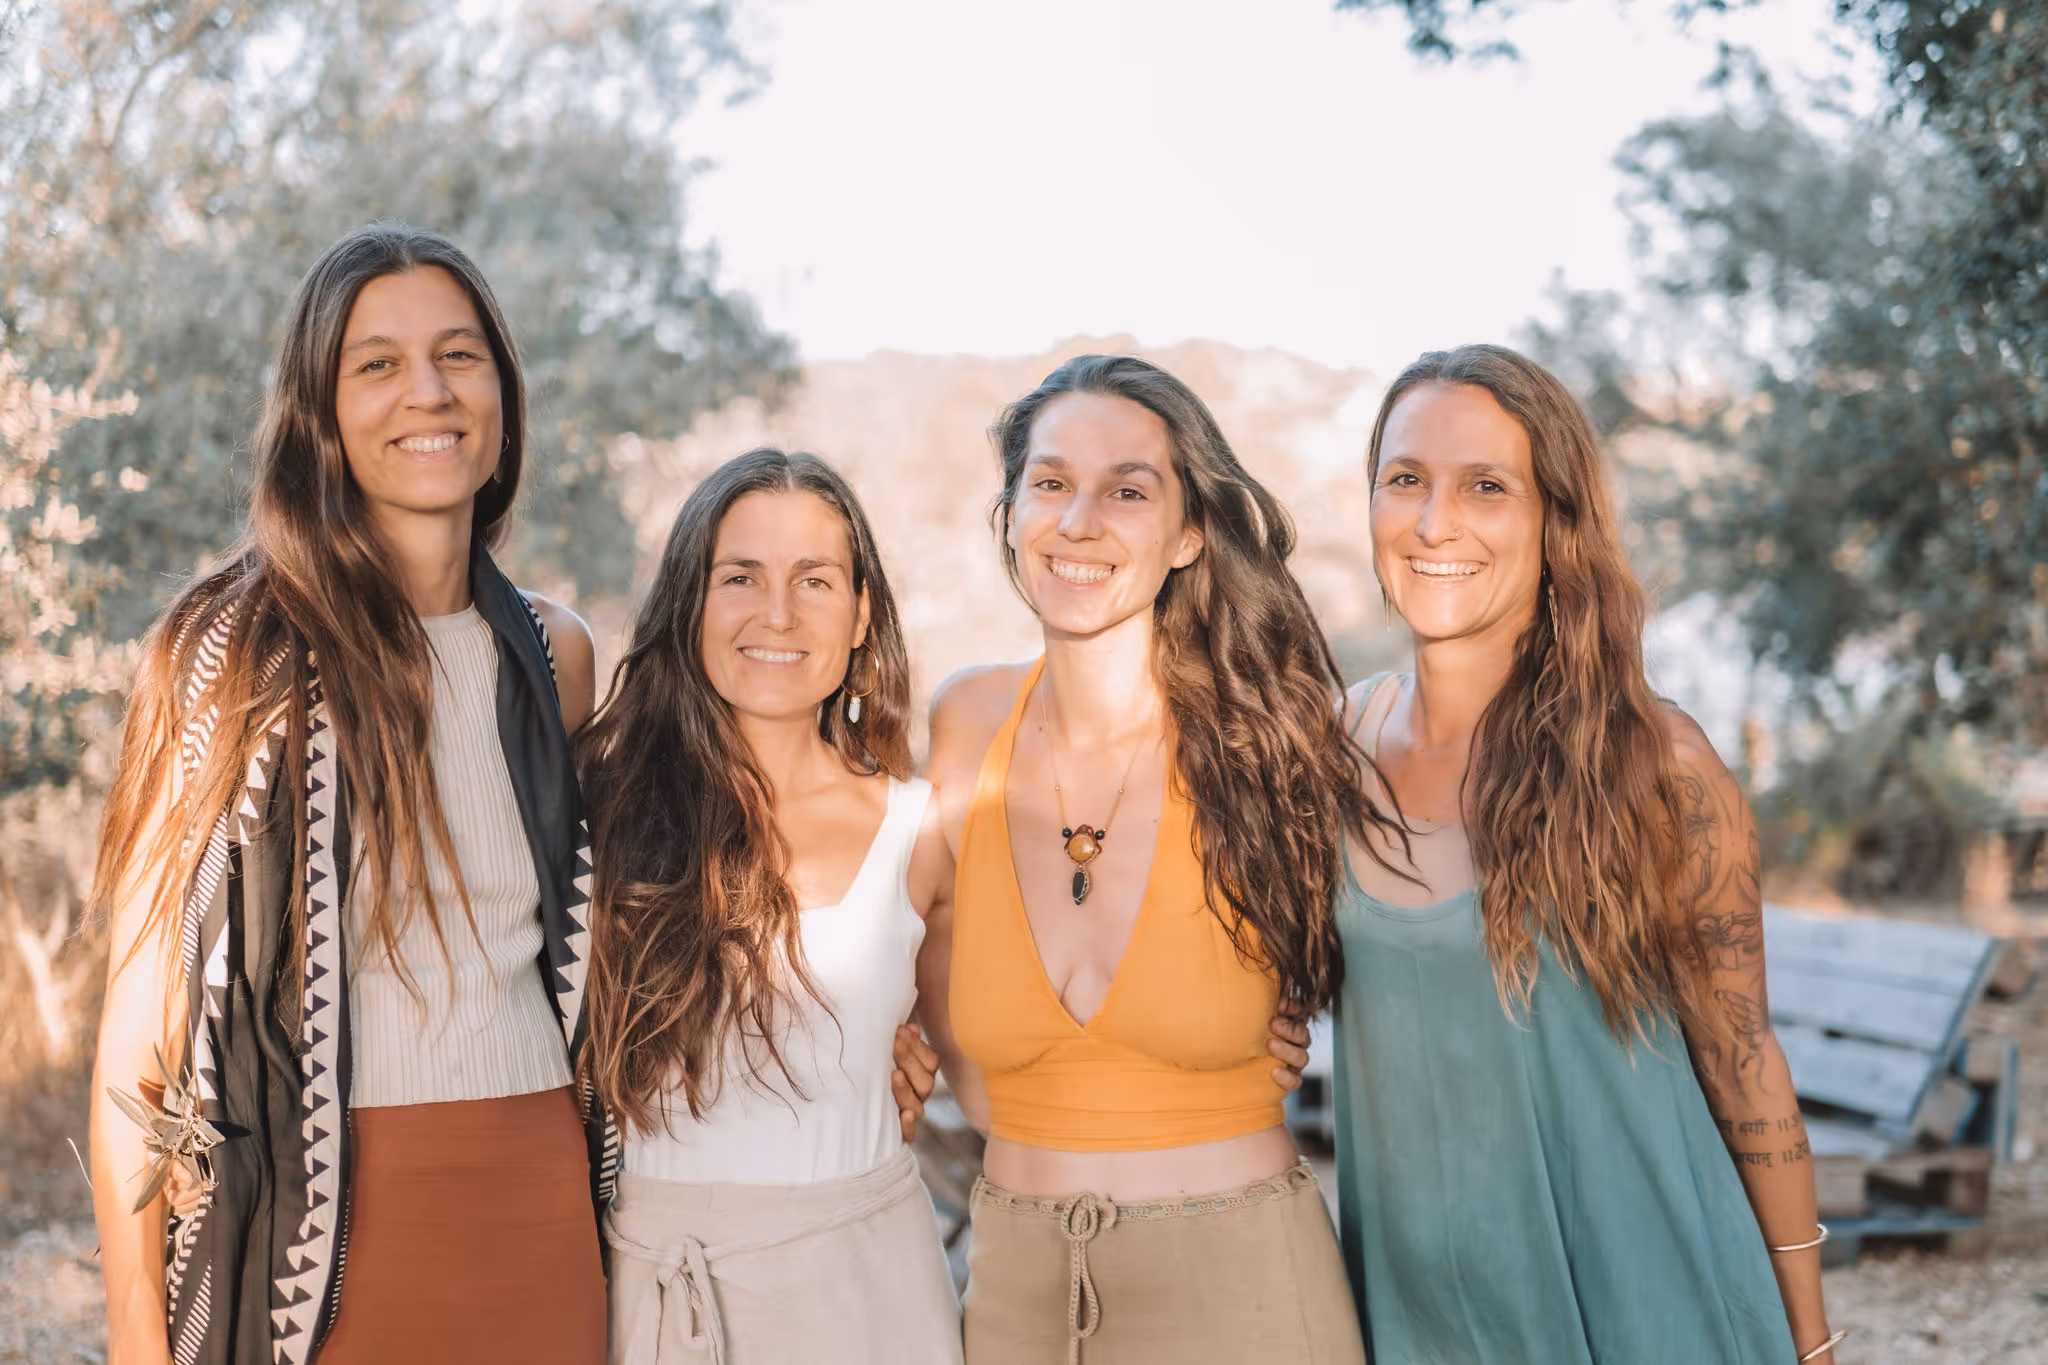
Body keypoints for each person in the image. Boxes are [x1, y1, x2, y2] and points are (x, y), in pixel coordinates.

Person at [88, 223, 607, 1365]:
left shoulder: (555, 654)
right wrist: (137, 1338)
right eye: (376, 364)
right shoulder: (222, 661)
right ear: (319, 416)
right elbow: (139, 1037)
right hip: (310, 1240)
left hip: (541, 1207)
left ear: (505, 401)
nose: (426, 391)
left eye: (458, 356)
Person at [1330, 343, 1841, 1364]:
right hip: (1422, 1318)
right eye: (1405, 480)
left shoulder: (1653, 762)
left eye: (1485, 487)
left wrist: (1809, 1340)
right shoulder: (1332, 747)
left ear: (1553, 522)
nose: (1434, 523)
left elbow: (1740, 1059)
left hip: (1654, 1308)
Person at [914, 355, 1380, 1365]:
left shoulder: (1270, 738)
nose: (1077, 520)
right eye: (1048, 482)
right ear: (1008, 513)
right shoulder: (963, 722)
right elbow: (910, 960)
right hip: (1015, 1297)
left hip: (1242, 1287)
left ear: (1186, 533)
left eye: (1126, 489)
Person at [579, 448, 963, 1364]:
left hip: (870, 1294)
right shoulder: (594, 807)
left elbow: (996, 1050)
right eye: (741, 576)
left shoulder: (925, 828)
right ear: (691, 602)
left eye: (816, 580)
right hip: (657, 1291)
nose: (778, 614)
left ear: (862, 610)